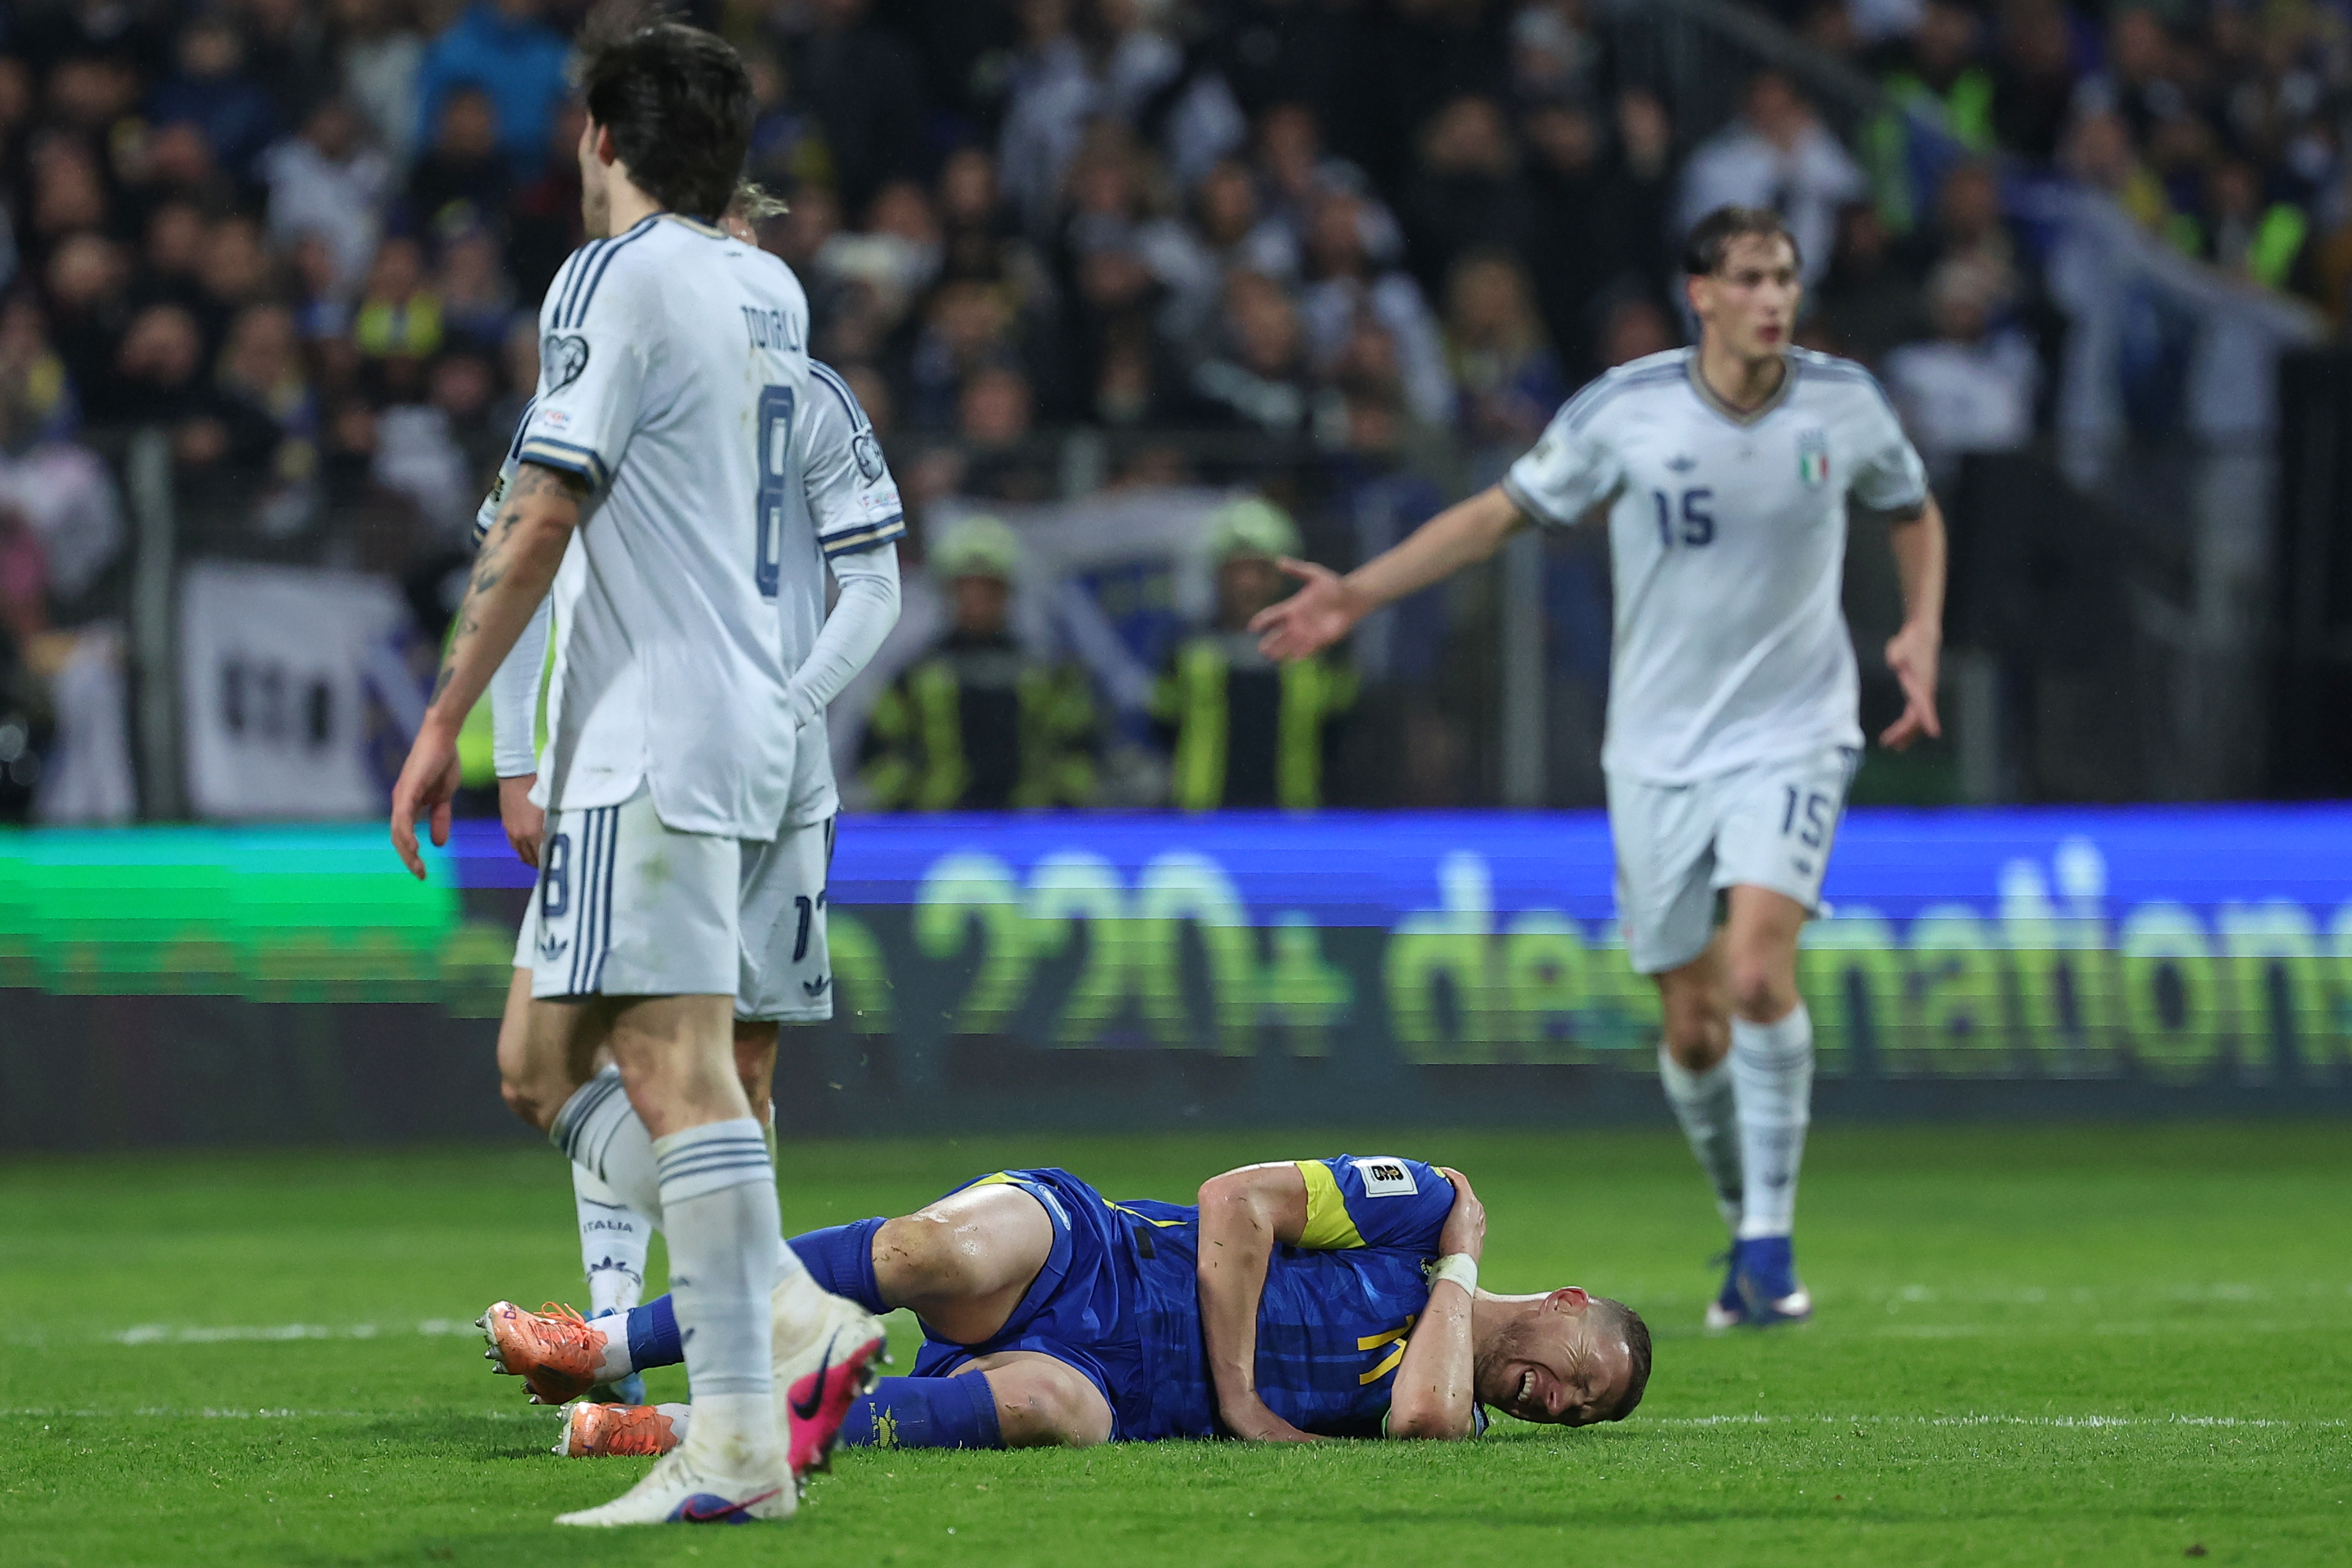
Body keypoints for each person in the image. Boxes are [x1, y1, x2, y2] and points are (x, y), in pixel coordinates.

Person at [1251, 206, 1948, 1330]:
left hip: (1795, 727)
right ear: (1701, 295)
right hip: (1659, 747)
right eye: (1751, 279)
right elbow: (1495, 515)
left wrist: (1918, 625)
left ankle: (1769, 1248)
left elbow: (1912, 513)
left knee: (1761, 974)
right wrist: (1358, 591)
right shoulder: (1627, 412)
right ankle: (1742, 1220)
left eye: (1785, 277)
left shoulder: (1844, 404)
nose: (1773, 298)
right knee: (1688, 1019)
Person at [387, 11, 885, 1527]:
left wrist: (447, 722)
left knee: (614, 1072)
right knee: (590, 1061)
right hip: (744, 725)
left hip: (650, 736)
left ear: (597, 135)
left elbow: (537, 516)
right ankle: (755, 1400)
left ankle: (772, 1352)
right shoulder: (768, 285)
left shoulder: (610, 274)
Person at [478, 1152, 1651, 1455]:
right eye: (1574, 1371)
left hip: (1122, 1387)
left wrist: (1462, 1257)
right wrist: (1241, 1397)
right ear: (1566, 1299)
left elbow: (1428, 1421)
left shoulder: (1452, 1365)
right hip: (1095, 1251)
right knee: (926, 1249)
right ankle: (602, 1343)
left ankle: (674, 1431)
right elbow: (1235, 1201)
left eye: (1572, 1412)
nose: (1550, 1398)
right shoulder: (1410, 1203)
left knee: (1046, 1409)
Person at [860, 515, 1099, 811]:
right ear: (948, 593)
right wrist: (905, 814)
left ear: (1007, 593)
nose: (977, 599)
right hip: (939, 829)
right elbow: (881, 753)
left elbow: (1078, 750)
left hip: (1027, 829)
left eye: (989, 587)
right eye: (967, 587)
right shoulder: (915, 675)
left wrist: (1061, 809)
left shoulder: (1046, 672)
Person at [1151, 498, 1354, 811]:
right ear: (1216, 576)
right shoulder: (1186, 650)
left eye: (1259, 571)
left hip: (1292, 820)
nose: (1246, 584)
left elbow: (1339, 733)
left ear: (1281, 578)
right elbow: (1163, 726)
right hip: (1201, 819)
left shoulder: (1317, 652)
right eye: (1236, 571)